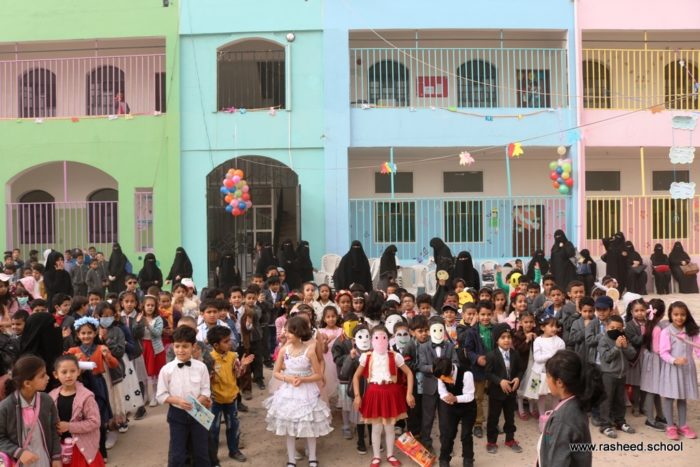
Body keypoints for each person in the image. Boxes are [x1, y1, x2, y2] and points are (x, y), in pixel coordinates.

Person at [264, 316, 332, 467]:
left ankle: (312, 457)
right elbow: (276, 372)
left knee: (309, 424)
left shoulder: (309, 351)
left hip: (307, 391)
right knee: (289, 426)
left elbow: (318, 375)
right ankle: (291, 459)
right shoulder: (283, 351)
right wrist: (288, 379)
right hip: (289, 392)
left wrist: (303, 379)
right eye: (286, 331)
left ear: (299, 332)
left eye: (289, 332)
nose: (286, 334)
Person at [353, 325, 414, 467]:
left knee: (390, 427)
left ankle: (390, 455)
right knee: (376, 428)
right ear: (371, 340)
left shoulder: (395, 356)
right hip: (374, 393)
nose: (380, 340)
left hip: (391, 393)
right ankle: (376, 456)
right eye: (376, 337)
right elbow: (356, 376)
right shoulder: (367, 356)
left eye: (383, 337)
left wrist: (409, 394)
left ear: (388, 339)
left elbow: (409, 373)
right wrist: (357, 395)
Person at [537, 350, 605, 467]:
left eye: (548, 376)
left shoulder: (562, 420)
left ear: (559, 382)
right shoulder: (576, 403)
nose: (546, 380)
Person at [156, 325, 211, 467]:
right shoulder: (166, 370)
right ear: (173, 346)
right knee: (178, 454)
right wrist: (177, 401)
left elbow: (206, 390)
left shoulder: (201, 367)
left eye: (185, 346)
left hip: (198, 411)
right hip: (177, 414)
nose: (181, 350)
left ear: (193, 346)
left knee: (202, 452)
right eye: (177, 346)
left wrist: (198, 402)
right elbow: (161, 395)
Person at [0, 355, 62, 466]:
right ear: (27, 383)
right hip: (20, 462)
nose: (48, 378)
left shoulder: (47, 400)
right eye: (42, 376)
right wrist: (18, 452)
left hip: (44, 461)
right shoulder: (5, 407)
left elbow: (54, 430)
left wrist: (56, 456)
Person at [207, 325, 253, 465]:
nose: (230, 343)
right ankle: (213, 458)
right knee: (213, 430)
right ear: (216, 345)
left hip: (231, 398)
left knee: (233, 426)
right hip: (215, 400)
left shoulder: (233, 356)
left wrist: (243, 365)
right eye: (226, 341)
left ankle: (234, 450)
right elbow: (205, 379)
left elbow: (237, 374)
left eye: (229, 340)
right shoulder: (209, 359)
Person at [50, 355, 105, 467]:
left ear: (78, 372)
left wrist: (69, 426)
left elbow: (95, 422)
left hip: (82, 449)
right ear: (56, 374)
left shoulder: (86, 397)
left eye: (72, 371)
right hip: (60, 449)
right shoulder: (51, 396)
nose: (69, 375)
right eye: (64, 372)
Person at [658, 301, 700, 440]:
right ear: (670, 315)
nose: (679, 317)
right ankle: (670, 426)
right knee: (669, 397)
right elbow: (663, 352)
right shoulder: (666, 332)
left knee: (683, 397)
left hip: (687, 369)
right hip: (672, 368)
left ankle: (683, 425)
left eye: (683, 314)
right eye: (676, 314)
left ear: (687, 315)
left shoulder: (691, 331)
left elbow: (698, 349)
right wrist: (674, 360)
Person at [485, 323, 524, 454]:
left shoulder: (515, 354)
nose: (506, 340)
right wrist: (500, 381)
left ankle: (510, 439)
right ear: (496, 340)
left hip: (511, 393)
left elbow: (520, 370)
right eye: (503, 337)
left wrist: (518, 378)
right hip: (496, 393)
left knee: (510, 417)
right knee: (493, 418)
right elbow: (488, 373)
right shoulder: (491, 355)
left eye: (509, 337)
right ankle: (491, 442)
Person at [597, 315, 636, 438]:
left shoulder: (624, 338)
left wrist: (625, 347)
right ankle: (605, 425)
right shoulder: (603, 340)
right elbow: (606, 357)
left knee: (620, 400)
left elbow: (632, 354)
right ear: (606, 327)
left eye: (618, 328)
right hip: (608, 375)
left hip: (621, 375)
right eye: (612, 327)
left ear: (622, 328)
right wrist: (616, 347)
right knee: (606, 400)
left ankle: (620, 422)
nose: (615, 330)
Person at [524, 316, 566, 418]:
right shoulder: (538, 340)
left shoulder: (560, 341)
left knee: (555, 394)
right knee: (540, 395)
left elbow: (561, 358)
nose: (554, 328)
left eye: (556, 326)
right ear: (543, 327)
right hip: (539, 373)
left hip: (554, 373)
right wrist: (552, 354)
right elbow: (537, 358)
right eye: (551, 326)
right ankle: (542, 415)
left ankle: (554, 416)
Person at [639, 299, 669, 432]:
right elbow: (657, 349)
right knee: (652, 391)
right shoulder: (657, 328)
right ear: (662, 314)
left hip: (650, 359)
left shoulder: (648, 325)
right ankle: (650, 419)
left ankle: (660, 415)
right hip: (655, 362)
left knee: (655, 390)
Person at [20, 312, 63, 391]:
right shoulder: (30, 363)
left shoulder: (49, 354)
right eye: (53, 325)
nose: (57, 327)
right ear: (39, 330)